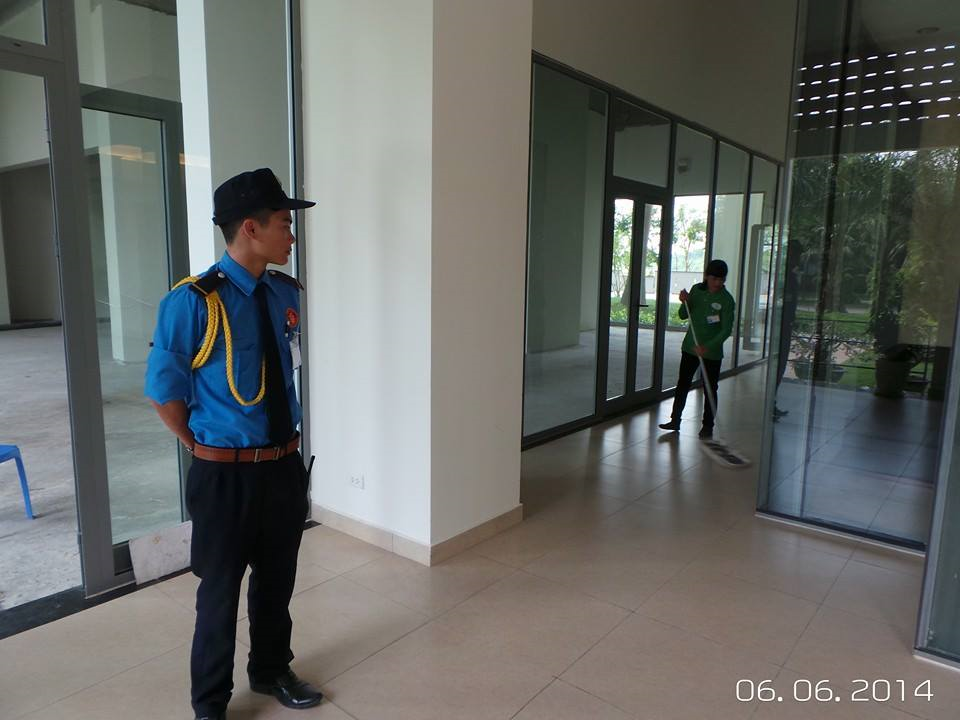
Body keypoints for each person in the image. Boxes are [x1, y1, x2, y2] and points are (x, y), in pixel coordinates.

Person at [145, 168, 323, 720]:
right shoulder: (193, 302)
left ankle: (270, 670)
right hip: (224, 473)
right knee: (219, 592)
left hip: (282, 465)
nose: (292, 235)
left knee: (277, 580)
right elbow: (164, 392)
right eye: (284, 224)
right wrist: (200, 446)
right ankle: (210, 704)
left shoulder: (284, 293)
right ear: (251, 227)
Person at [659, 259, 736, 438]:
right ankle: (675, 420)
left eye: (721, 279)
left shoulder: (726, 300)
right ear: (707, 276)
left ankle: (708, 425)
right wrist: (684, 301)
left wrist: (707, 347)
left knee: (710, 388)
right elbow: (683, 315)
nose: (718, 283)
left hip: (712, 352)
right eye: (714, 279)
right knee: (683, 384)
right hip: (690, 347)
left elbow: (726, 330)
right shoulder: (697, 291)